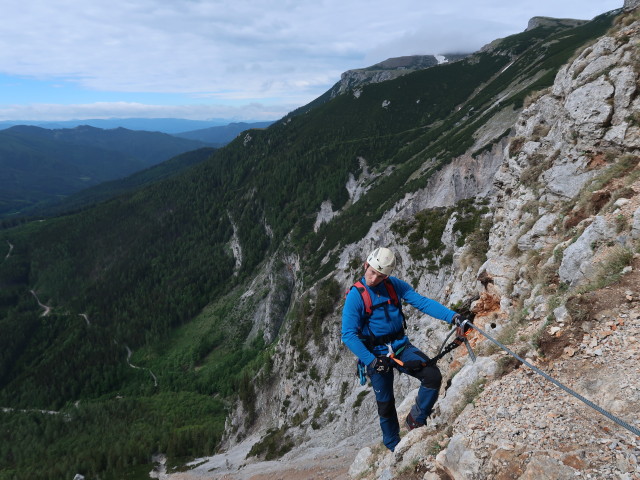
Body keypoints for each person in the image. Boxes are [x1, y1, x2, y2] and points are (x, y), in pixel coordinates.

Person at [341, 246, 464, 452]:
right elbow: (348, 335)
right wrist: (371, 360)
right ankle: (393, 446)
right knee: (386, 404)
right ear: (366, 265)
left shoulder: (394, 285)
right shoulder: (356, 296)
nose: (373, 279)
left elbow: (422, 303)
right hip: (376, 355)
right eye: (371, 272)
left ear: (387, 276)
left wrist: (453, 317)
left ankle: (416, 419)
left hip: (400, 347)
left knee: (432, 377)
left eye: (380, 276)